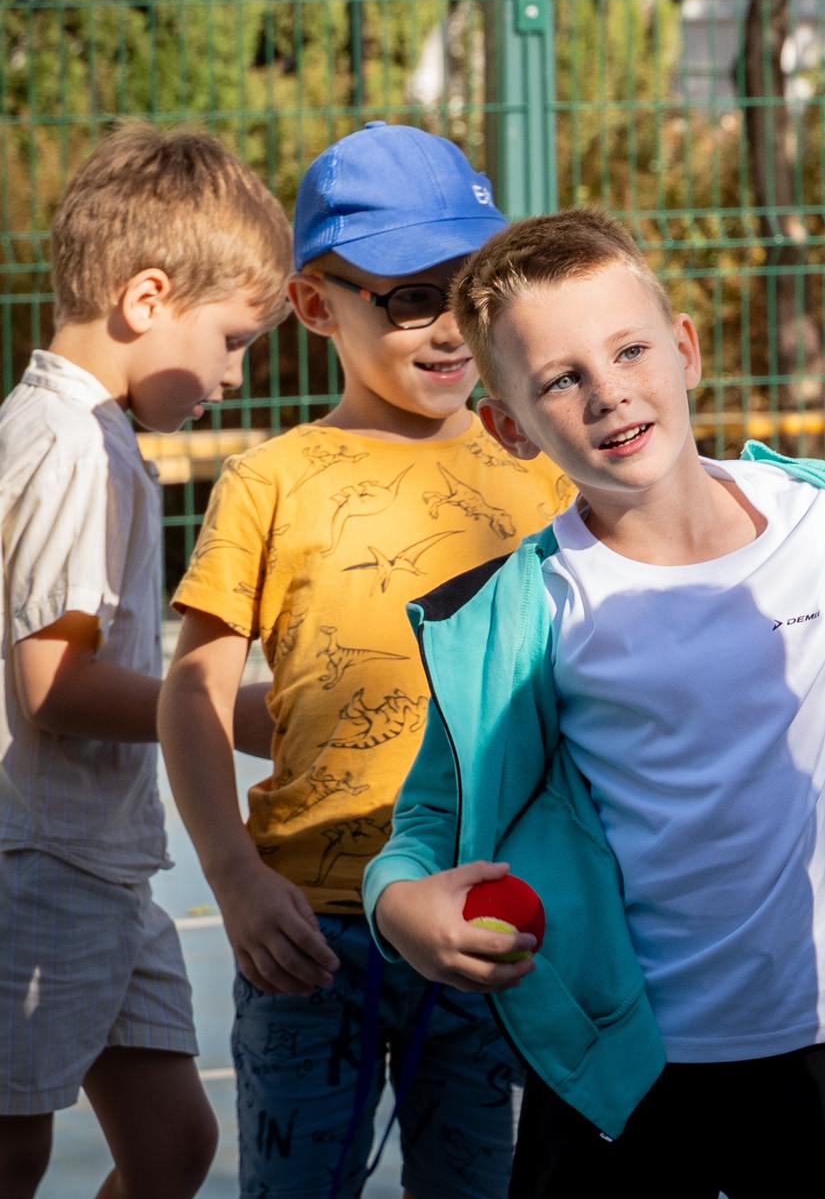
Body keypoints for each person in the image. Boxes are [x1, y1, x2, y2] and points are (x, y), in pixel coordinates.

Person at [364, 208, 825, 1199]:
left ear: (685, 349)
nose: (609, 393)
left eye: (629, 350)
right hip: (618, 1063)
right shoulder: (527, 608)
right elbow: (422, 828)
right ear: (508, 426)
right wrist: (403, 908)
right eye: (561, 379)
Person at [159, 122, 571, 1199]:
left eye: (467, 288)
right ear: (312, 303)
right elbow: (194, 693)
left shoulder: (546, 470)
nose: (448, 329)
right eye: (407, 297)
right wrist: (235, 880)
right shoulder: (268, 482)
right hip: (308, 938)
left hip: (491, 921)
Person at [2, 125, 291, 1199]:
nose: (234, 372)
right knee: (13, 1142)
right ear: (147, 299)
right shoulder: (73, 445)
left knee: (172, 1148)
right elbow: (52, 690)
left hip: (102, 867)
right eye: (230, 339)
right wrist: (225, 711)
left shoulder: (83, 433)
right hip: (41, 868)